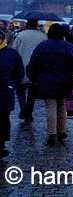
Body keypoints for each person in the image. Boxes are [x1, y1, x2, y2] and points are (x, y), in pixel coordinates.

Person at [27, 24, 73, 146]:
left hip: (45, 80)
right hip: (64, 80)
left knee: (51, 106)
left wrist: (33, 78)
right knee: (62, 104)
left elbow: (33, 63)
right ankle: (62, 130)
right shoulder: (67, 46)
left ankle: (52, 133)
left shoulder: (42, 46)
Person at [11, 17, 47, 123]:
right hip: (36, 69)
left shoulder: (20, 35)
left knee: (20, 91)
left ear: (27, 24)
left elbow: (14, 51)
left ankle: (24, 110)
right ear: (36, 24)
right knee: (32, 93)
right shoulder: (43, 36)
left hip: (21, 67)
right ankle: (28, 112)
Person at [0, 30, 24, 158]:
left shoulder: (11, 54)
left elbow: (19, 71)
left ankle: (2, 144)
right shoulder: (11, 54)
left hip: (5, 91)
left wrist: (12, 85)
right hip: (5, 90)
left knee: (3, 117)